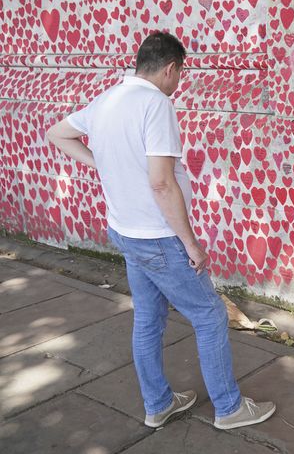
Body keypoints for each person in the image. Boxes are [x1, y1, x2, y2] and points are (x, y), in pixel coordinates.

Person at [47, 31, 275, 430]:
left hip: (125, 231)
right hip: (157, 236)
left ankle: (158, 403)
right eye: (180, 73)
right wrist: (191, 244)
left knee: (149, 318)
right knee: (209, 316)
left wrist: (102, 164)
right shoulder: (155, 105)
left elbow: (58, 134)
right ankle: (229, 408)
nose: (179, 81)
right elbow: (161, 183)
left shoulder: (108, 100)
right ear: (171, 68)